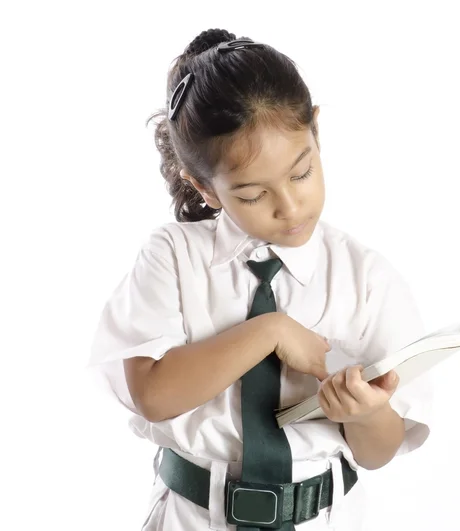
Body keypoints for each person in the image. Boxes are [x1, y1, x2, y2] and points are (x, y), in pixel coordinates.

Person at [89, 28, 432, 531]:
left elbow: (380, 451)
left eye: (301, 173)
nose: (290, 207)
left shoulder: (364, 277)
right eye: (252, 195)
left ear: (316, 133)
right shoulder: (174, 256)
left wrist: (361, 414)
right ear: (203, 186)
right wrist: (269, 331)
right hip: (192, 519)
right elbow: (154, 395)